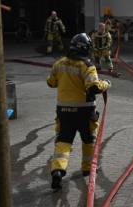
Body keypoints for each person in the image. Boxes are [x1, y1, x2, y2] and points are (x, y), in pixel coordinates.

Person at [47, 33, 111, 190]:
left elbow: (51, 83)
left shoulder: (59, 63)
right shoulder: (87, 66)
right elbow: (94, 87)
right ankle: (88, 168)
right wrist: (106, 84)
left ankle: (58, 170)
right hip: (84, 111)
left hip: (64, 111)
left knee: (63, 141)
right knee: (88, 140)